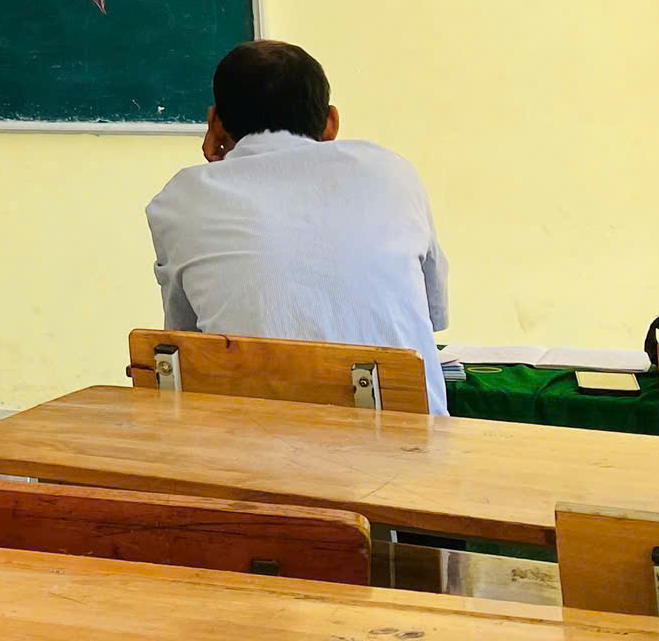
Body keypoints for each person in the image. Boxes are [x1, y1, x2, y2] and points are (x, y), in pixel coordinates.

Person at [145, 39, 451, 414]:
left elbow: (184, 342)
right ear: (331, 123)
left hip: (252, 443)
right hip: (411, 436)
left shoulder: (181, 197)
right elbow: (434, 313)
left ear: (216, 123)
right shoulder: (392, 172)